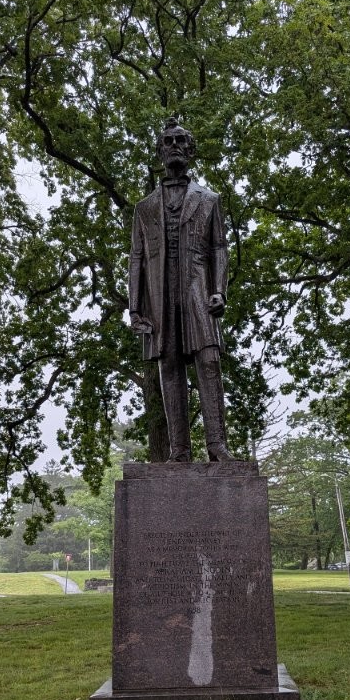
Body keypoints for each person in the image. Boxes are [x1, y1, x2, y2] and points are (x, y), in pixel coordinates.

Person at [128, 117, 235, 462]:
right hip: (159, 296)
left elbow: (219, 247)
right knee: (169, 366)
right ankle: (179, 451)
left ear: (190, 150)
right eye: (167, 142)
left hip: (197, 288)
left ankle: (217, 445)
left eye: (180, 141)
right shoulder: (144, 208)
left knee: (208, 360)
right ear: (160, 152)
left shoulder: (209, 200)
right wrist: (134, 308)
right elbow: (137, 258)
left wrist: (219, 290)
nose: (174, 146)